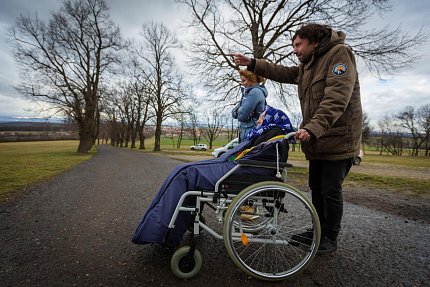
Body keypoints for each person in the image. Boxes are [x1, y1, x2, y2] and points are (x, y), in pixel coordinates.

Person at [229, 23, 363, 255]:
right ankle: (317, 231)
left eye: (298, 44)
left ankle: (329, 238)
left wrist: (313, 127)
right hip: (318, 138)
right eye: (293, 46)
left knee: (330, 189)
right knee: (317, 187)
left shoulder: (339, 55)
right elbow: (282, 72)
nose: (295, 50)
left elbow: (337, 98)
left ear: (314, 41)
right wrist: (252, 62)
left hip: (338, 138)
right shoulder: (307, 65)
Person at [132, 106, 293, 248]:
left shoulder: (273, 137)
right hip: (237, 169)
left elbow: (250, 159)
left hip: (237, 172)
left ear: (272, 119)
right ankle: (170, 230)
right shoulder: (268, 135)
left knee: (183, 173)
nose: (259, 119)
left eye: (263, 116)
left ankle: (160, 234)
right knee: (182, 171)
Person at [232, 70, 267, 142]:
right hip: (246, 132)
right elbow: (234, 113)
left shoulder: (255, 92)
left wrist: (240, 110)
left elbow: (242, 116)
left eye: (244, 81)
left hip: (251, 133)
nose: (242, 83)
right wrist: (240, 110)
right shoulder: (248, 93)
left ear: (252, 80)